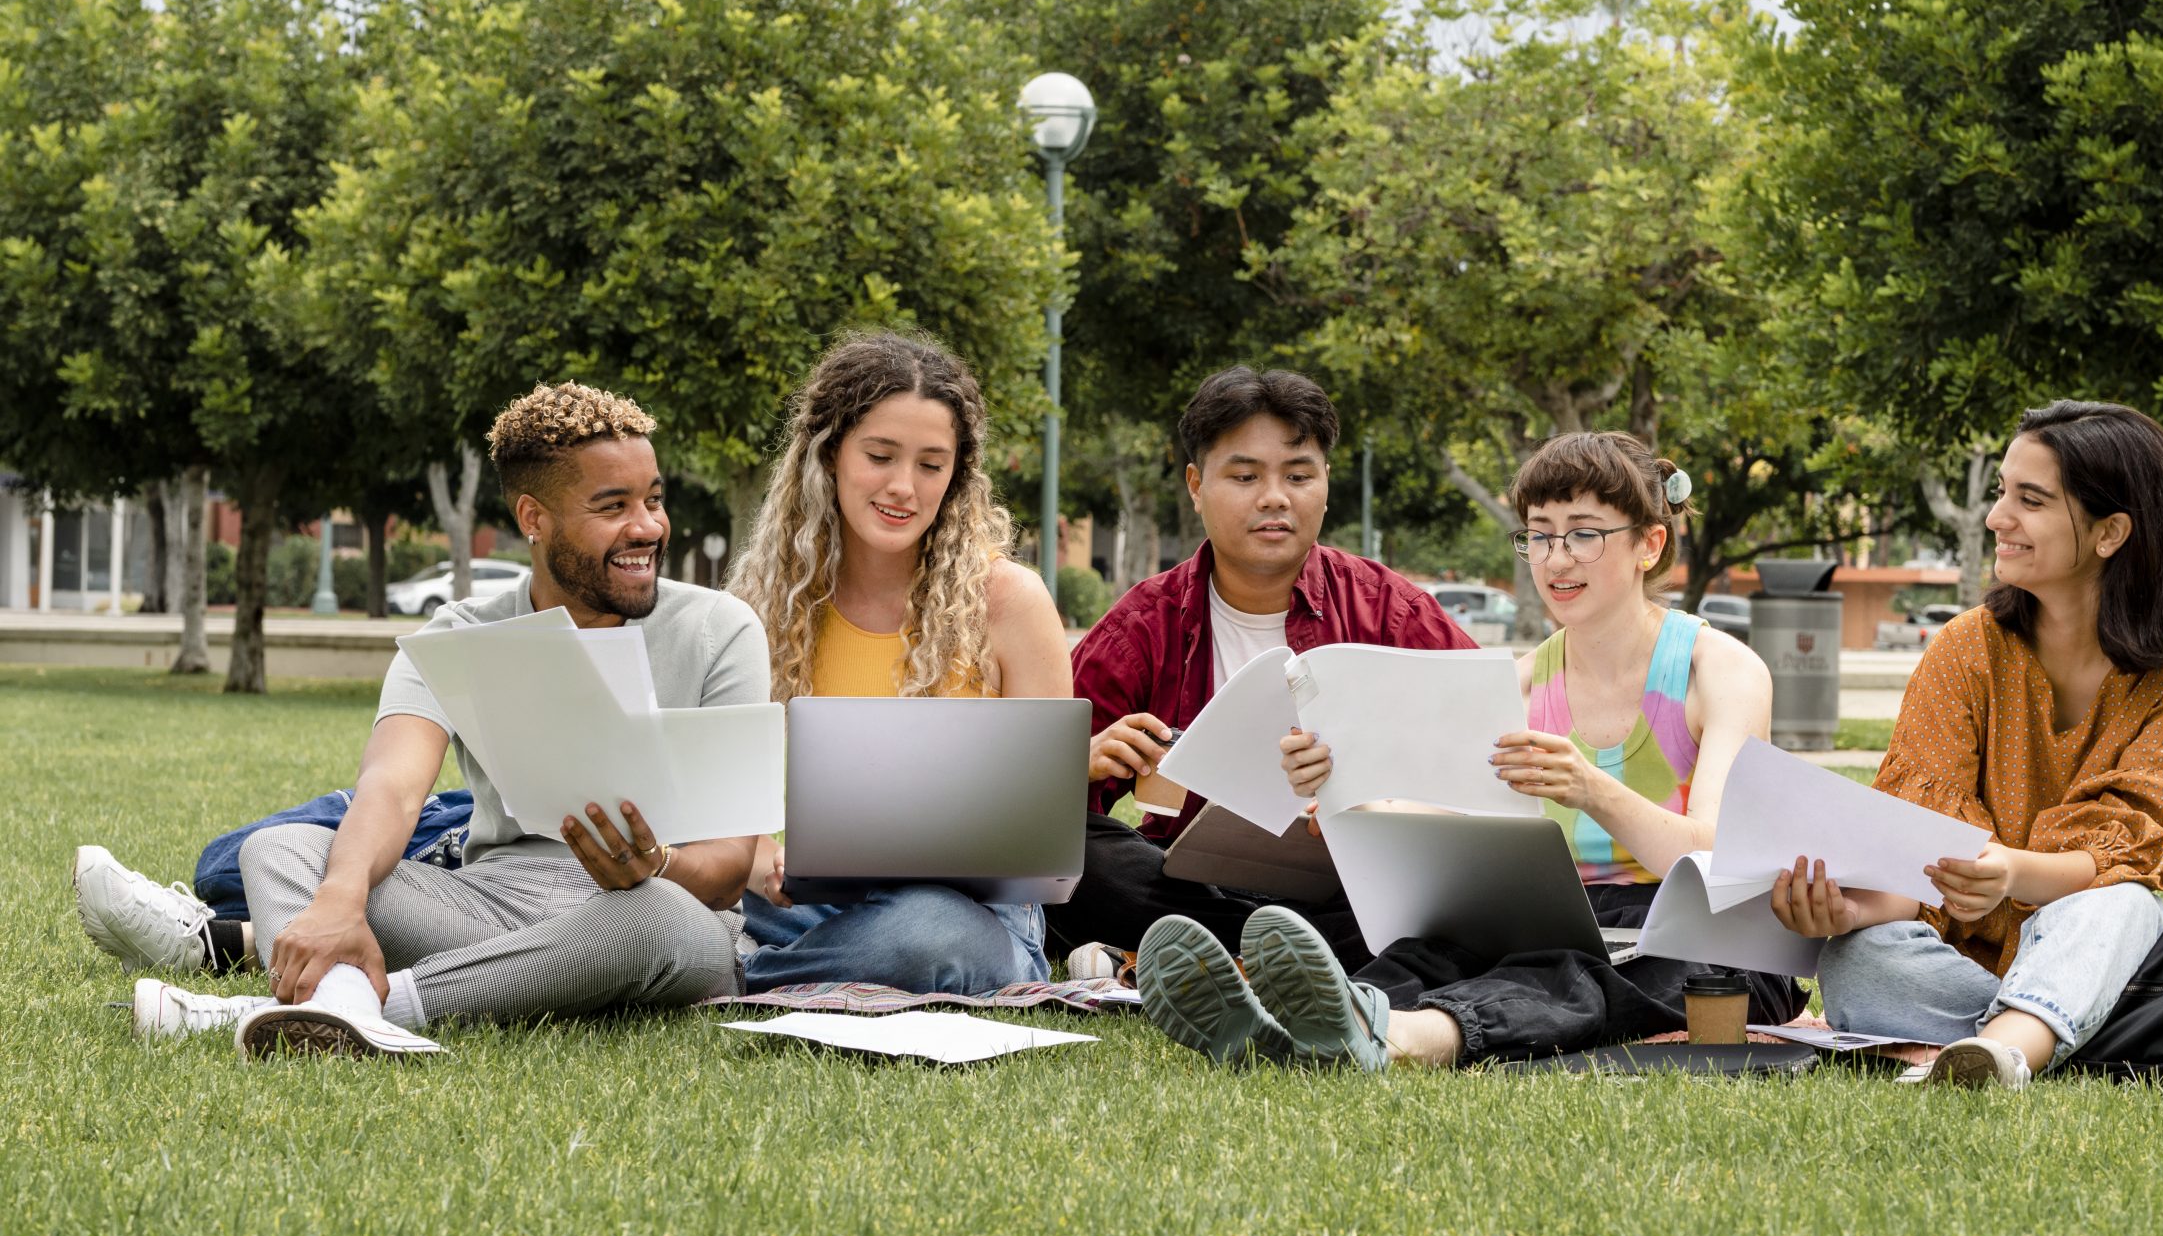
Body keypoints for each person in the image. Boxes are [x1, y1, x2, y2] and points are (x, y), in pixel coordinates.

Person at [98, 383, 766, 1057]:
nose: (649, 526)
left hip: (660, 913)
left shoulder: (719, 629)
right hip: (490, 906)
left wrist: (656, 863)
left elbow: (731, 866)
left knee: (653, 921)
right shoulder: (460, 632)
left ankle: (363, 1009)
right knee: (278, 849)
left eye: (653, 498)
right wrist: (340, 895)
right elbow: (391, 785)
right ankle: (340, 1012)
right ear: (534, 517)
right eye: (613, 506)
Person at [1133, 431, 1807, 1069]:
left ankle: (1391, 1034)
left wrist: (1591, 787)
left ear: (1649, 545)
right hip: (1567, 917)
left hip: (1704, 935)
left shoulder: (1719, 671)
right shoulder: (1513, 681)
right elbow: (1448, 829)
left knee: (1582, 973)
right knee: (1433, 951)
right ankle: (1279, 1030)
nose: (1557, 559)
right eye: (1538, 537)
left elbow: (1711, 864)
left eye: (1583, 535)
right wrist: (1343, 796)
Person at [1769, 400, 2163, 1088]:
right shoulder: (1965, 649)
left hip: (2088, 932)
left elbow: (2122, 854)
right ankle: (2056, 1031)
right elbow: (1919, 850)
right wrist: (1856, 908)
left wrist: (2010, 871)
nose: (1996, 518)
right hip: (1964, 960)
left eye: (2029, 499)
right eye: (2001, 492)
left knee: (2121, 904)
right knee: (1857, 958)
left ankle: (2008, 1042)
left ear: (2110, 532)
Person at [1050, 366, 1481, 967]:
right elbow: (1036, 809)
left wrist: (1371, 794)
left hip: (1353, 885)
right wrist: (1085, 759)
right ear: (1197, 485)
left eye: (1298, 475)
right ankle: (1285, 957)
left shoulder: (1390, 612)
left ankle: (1204, 958)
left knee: (1442, 891)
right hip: (1186, 887)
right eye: (1245, 475)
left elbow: (1486, 747)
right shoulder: (1142, 626)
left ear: (1326, 484)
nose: (1274, 497)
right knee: (1078, 858)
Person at [724, 331, 1073, 993]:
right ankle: (816, 956)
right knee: (675, 902)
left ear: (957, 475)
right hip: (806, 902)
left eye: (931, 465)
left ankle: (742, 974)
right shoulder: (763, 606)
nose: (903, 487)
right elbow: (716, 799)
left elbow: (1044, 837)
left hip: (969, 911)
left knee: (924, 937)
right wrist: (759, 857)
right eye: (880, 456)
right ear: (827, 456)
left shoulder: (1010, 602)